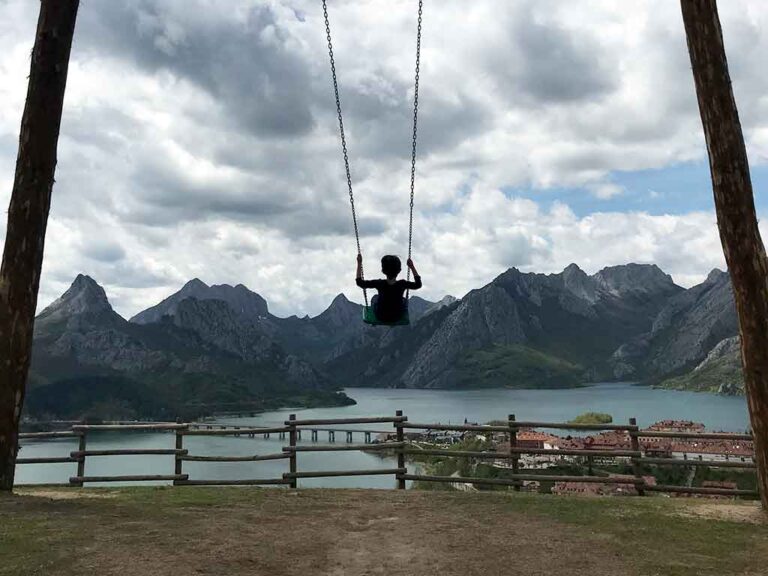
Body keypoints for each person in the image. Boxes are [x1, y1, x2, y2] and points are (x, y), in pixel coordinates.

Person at [356, 254, 422, 323]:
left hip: (381, 316)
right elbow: (418, 284)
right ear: (399, 270)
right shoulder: (402, 284)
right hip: (397, 316)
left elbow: (359, 282)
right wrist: (412, 267)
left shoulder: (379, 283)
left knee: (375, 298)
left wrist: (359, 263)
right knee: (404, 300)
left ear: (383, 271)